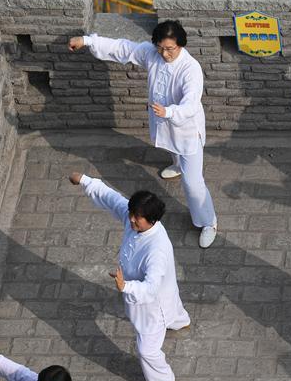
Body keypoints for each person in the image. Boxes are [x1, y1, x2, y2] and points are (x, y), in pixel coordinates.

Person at [69, 20, 218, 248]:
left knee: (193, 182)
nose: (165, 54)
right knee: (170, 148)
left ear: (181, 45)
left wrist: (168, 111)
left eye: (170, 49)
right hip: (165, 124)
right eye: (161, 48)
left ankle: (208, 221)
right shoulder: (153, 54)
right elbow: (124, 48)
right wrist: (88, 41)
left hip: (186, 131)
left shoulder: (191, 69)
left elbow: (189, 105)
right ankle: (177, 164)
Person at [69, 171, 190, 381]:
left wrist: (126, 287)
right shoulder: (136, 219)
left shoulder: (157, 250)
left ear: (152, 220)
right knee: (174, 307)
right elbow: (112, 199)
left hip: (152, 306)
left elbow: (151, 288)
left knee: (147, 350)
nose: (132, 220)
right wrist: (86, 181)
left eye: (137, 218)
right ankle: (180, 320)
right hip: (163, 294)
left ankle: (162, 380)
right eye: (132, 215)